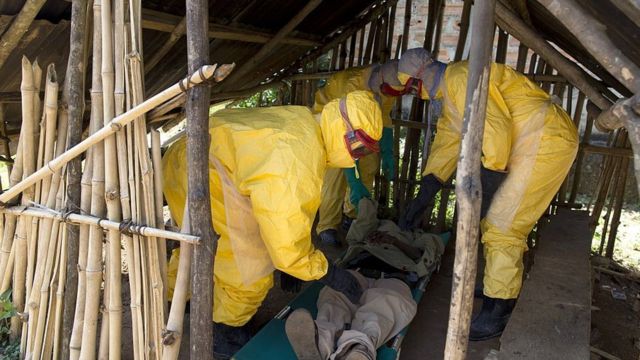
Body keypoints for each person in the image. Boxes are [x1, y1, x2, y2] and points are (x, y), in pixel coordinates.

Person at [162, 91, 384, 359]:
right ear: (344, 131)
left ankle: (173, 297)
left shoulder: (305, 123)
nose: (357, 157)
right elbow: (286, 241)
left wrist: (292, 260)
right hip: (207, 173)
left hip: (186, 157)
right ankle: (224, 334)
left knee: (197, 247)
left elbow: (280, 212)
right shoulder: (301, 155)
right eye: (358, 147)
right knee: (248, 273)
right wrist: (325, 272)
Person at [396, 48, 579, 340]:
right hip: (532, 140)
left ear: (424, 73)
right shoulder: (452, 90)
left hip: (543, 140)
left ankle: (497, 313)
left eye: (411, 86)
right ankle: (499, 293)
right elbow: (449, 138)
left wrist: (490, 179)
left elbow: (496, 127)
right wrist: (429, 185)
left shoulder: (459, 77)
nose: (415, 94)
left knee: (502, 226)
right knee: (499, 224)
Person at [285, 199, 445, 360]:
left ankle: (357, 348)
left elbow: (424, 257)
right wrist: (369, 222)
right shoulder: (378, 226)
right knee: (334, 296)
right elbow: (357, 231)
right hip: (357, 271)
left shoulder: (419, 237)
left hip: (392, 276)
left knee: (386, 304)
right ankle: (321, 342)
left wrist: (395, 241)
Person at [313, 61, 404, 246]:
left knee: (369, 163)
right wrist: (353, 182)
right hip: (333, 123)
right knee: (336, 175)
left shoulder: (389, 85)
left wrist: (387, 152)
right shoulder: (350, 85)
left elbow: (384, 117)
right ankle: (327, 227)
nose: (389, 96)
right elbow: (345, 138)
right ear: (380, 81)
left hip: (361, 126)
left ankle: (353, 214)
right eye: (388, 92)